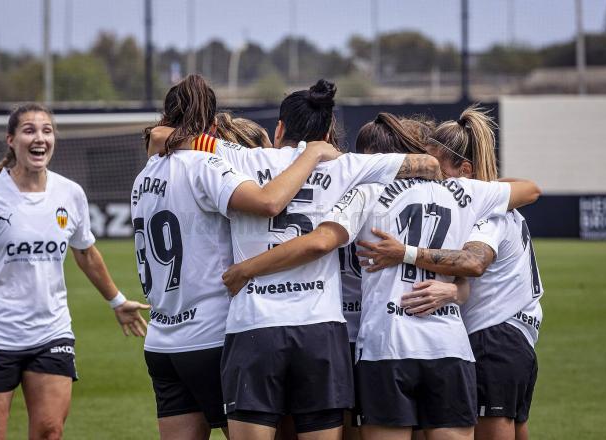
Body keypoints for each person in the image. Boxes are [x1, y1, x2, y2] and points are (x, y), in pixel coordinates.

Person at [149, 79, 442, 440]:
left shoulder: (238, 156)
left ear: (279, 128)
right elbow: (427, 164)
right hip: (320, 328)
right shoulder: (349, 166)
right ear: (329, 129)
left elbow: (163, 135)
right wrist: (325, 154)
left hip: (253, 326)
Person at [221, 109, 540, 440]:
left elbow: (320, 241)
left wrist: (246, 268)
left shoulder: (363, 193)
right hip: (446, 346)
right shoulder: (466, 193)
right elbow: (528, 193)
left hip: (378, 343)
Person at [136, 74, 341, 440]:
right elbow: (268, 202)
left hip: (162, 342)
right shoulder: (204, 165)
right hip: (212, 335)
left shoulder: (145, 174)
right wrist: (311, 154)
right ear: (213, 127)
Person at [0, 103, 149, 440]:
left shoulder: (69, 193)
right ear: (11, 140)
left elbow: (86, 252)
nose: (39, 137)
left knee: (49, 431)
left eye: (46, 130)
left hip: (51, 333)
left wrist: (117, 302)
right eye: (29, 130)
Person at [357, 107, 543, 440]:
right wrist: (457, 291)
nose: (427, 172)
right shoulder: (482, 200)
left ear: (462, 169)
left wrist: (405, 253)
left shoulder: (484, 209)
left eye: (435, 164)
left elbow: (473, 263)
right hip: (496, 337)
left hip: (490, 335)